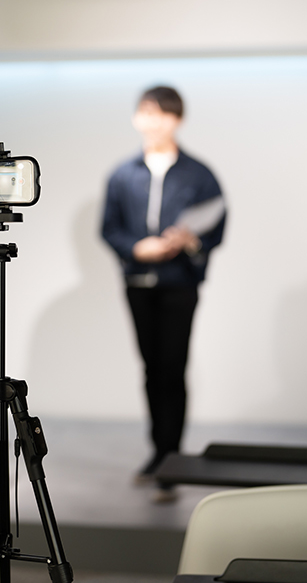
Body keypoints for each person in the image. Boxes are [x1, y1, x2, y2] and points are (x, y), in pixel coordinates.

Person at [101, 86, 225, 503]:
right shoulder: (122, 174)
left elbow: (217, 225)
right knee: (152, 367)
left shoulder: (198, 173)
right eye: (147, 113)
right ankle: (160, 452)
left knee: (173, 367)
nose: (154, 122)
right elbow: (109, 228)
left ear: (178, 120)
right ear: (137, 118)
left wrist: (187, 241)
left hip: (178, 282)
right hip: (138, 282)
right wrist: (138, 248)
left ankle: (170, 456)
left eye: (164, 115)